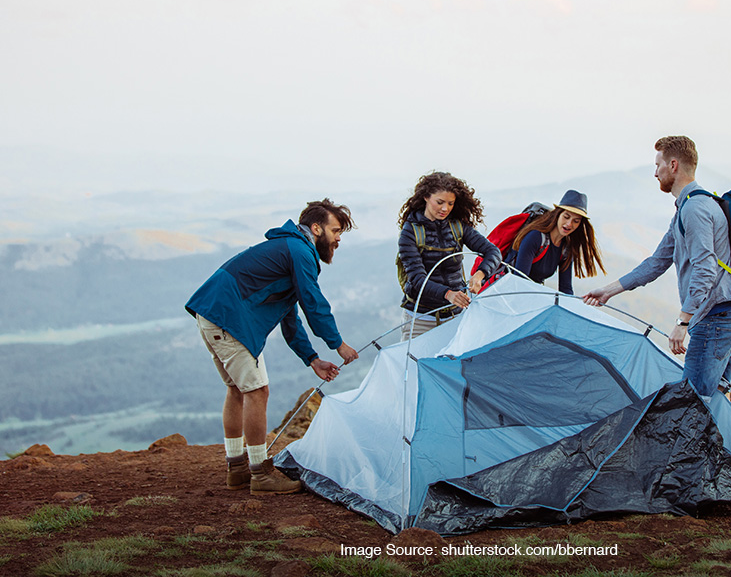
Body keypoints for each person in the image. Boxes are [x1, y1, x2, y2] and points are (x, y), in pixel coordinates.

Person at [185, 199, 360, 495]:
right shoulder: (300, 251)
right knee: (257, 391)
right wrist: (337, 344)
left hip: (212, 312)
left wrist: (312, 358)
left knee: (238, 389)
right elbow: (312, 303)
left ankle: (237, 469)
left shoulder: (289, 248)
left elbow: (288, 314)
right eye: (335, 230)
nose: (338, 238)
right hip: (229, 317)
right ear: (316, 228)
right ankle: (260, 473)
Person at [583, 136, 731, 399]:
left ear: (674, 165)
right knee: (711, 405)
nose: (655, 172)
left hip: (714, 319)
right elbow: (656, 262)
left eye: (658, 165)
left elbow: (705, 269)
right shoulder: (685, 209)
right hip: (718, 318)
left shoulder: (696, 209)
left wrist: (682, 321)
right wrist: (609, 291)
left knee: (693, 403)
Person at [397, 171, 501, 338]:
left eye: (451, 203)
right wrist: (448, 294)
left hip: (455, 315)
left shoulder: (457, 226)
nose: (445, 208)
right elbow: (417, 279)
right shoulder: (410, 232)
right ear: (425, 197)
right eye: (440, 202)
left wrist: (479, 275)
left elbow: (493, 251)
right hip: (421, 318)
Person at [506, 190, 605, 295]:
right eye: (566, 217)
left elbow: (565, 288)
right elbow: (519, 281)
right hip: (508, 292)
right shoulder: (535, 237)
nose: (569, 224)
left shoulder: (566, 249)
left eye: (576, 221)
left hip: (530, 294)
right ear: (558, 214)